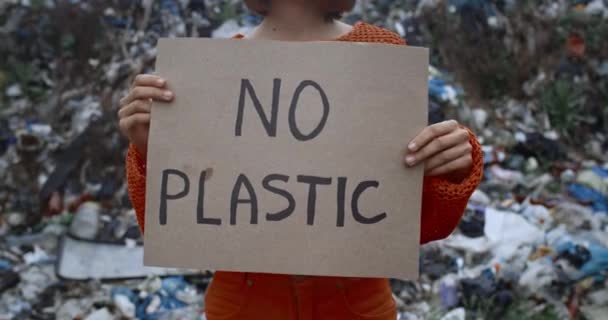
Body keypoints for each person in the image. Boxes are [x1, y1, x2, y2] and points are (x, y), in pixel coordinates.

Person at [118, 0, 483, 319]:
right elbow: (173, 226)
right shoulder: (214, 71)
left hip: (354, 307)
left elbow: (417, 225)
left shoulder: (380, 53)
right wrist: (151, 149)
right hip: (242, 307)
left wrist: (451, 165)